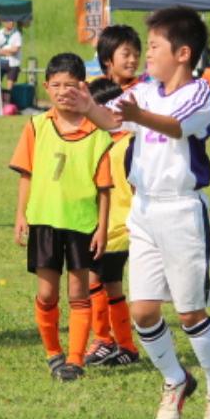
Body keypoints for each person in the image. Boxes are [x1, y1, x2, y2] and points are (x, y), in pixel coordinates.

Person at [71, 6, 210, 419]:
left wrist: (136, 115)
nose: (146, 55)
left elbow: (175, 127)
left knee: (190, 313)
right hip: (143, 210)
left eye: (154, 47)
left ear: (183, 53)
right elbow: (113, 120)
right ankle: (175, 379)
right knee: (143, 312)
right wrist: (88, 106)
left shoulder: (200, 93)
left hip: (182, 211)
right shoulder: (145, 92)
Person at [11, 54, 112, 381]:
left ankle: (75, 359)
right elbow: (26, 174)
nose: (62, 91)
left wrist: (102, 228)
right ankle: (53, 352)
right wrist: (21, 215)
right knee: (46, 294)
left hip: (82, 223)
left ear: (83, 87)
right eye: (56, 85)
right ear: (46, 87)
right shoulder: (36, 126)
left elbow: (105, 188)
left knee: (79, 293)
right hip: (44, 221)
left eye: (70, 85)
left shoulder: (98, 132)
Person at [83, 78, 140, 368]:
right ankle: (119, 343)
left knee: (99, 281)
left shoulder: (128, 144)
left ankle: (110, 340)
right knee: (106, 283)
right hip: (104, 226)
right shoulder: (104, 141)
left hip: (119, 228)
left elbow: (138, 186)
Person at [96, 24, 143, 90]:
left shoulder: (142, 89)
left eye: (136, 55)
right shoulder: (94, 89)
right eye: (126, 54)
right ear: (106, 59)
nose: (133, 60)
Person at [0, 19, 24, 94]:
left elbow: (15, 50)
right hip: (0, 61)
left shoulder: (17, 34)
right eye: (9, 21)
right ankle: (1, 94)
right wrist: (9, 51)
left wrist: (2, 51)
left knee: (10, 86)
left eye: (12, 21)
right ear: (4, 23)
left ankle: (8, 97)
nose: (11, 23)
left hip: (13, 63)